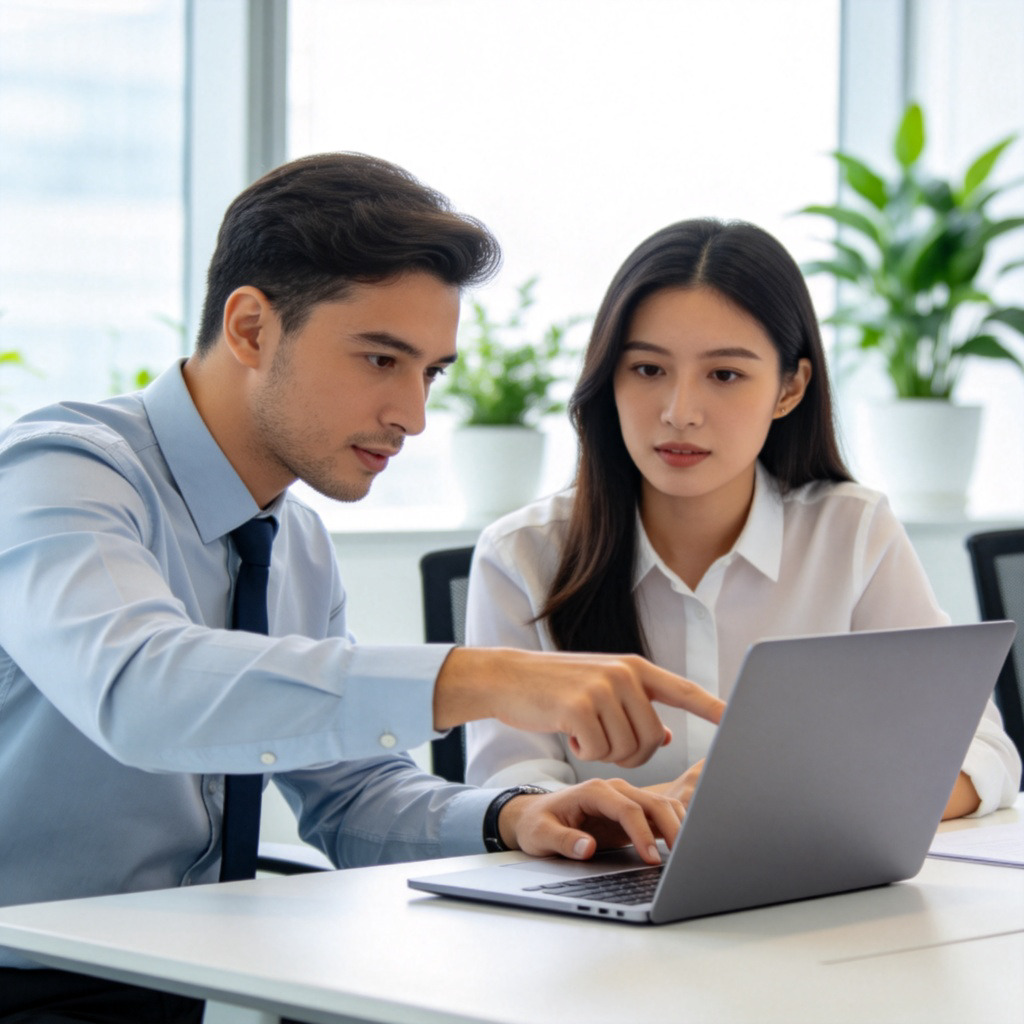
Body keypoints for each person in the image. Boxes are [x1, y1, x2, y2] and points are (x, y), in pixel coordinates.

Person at [0, 155, 726, 1023]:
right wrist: (481, 676)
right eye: (382, 358)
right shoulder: (58, 473)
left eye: (430, 372)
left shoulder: (293, 540)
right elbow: (141, 689)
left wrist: (516, 818)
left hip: (171, 987)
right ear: (251, 328)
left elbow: (349, 796)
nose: (413, 415)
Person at [464, 217, 1021, 820]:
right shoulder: (522, 556)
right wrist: (652, 814)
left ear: (789, 388)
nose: (680, 413)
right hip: (599, 892)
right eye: (648, 370)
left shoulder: (851, 533)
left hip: (810, 891)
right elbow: (510, 790)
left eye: (724, 375)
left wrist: (803, 799)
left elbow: (981, 754)